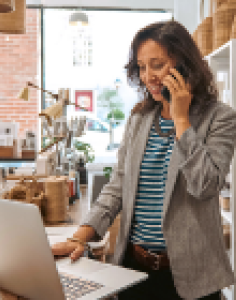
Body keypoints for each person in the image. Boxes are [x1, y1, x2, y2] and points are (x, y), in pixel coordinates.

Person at [52, 20, 236, 300]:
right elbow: (118, 186)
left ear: (184, 65)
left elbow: (206, 186)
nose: (148, 76)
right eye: (141, 66)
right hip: (134, 272)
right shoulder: (140, 119)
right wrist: (80, 236)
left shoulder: (219, 117)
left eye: (157, 64)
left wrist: (181, 119)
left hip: (192, 280)